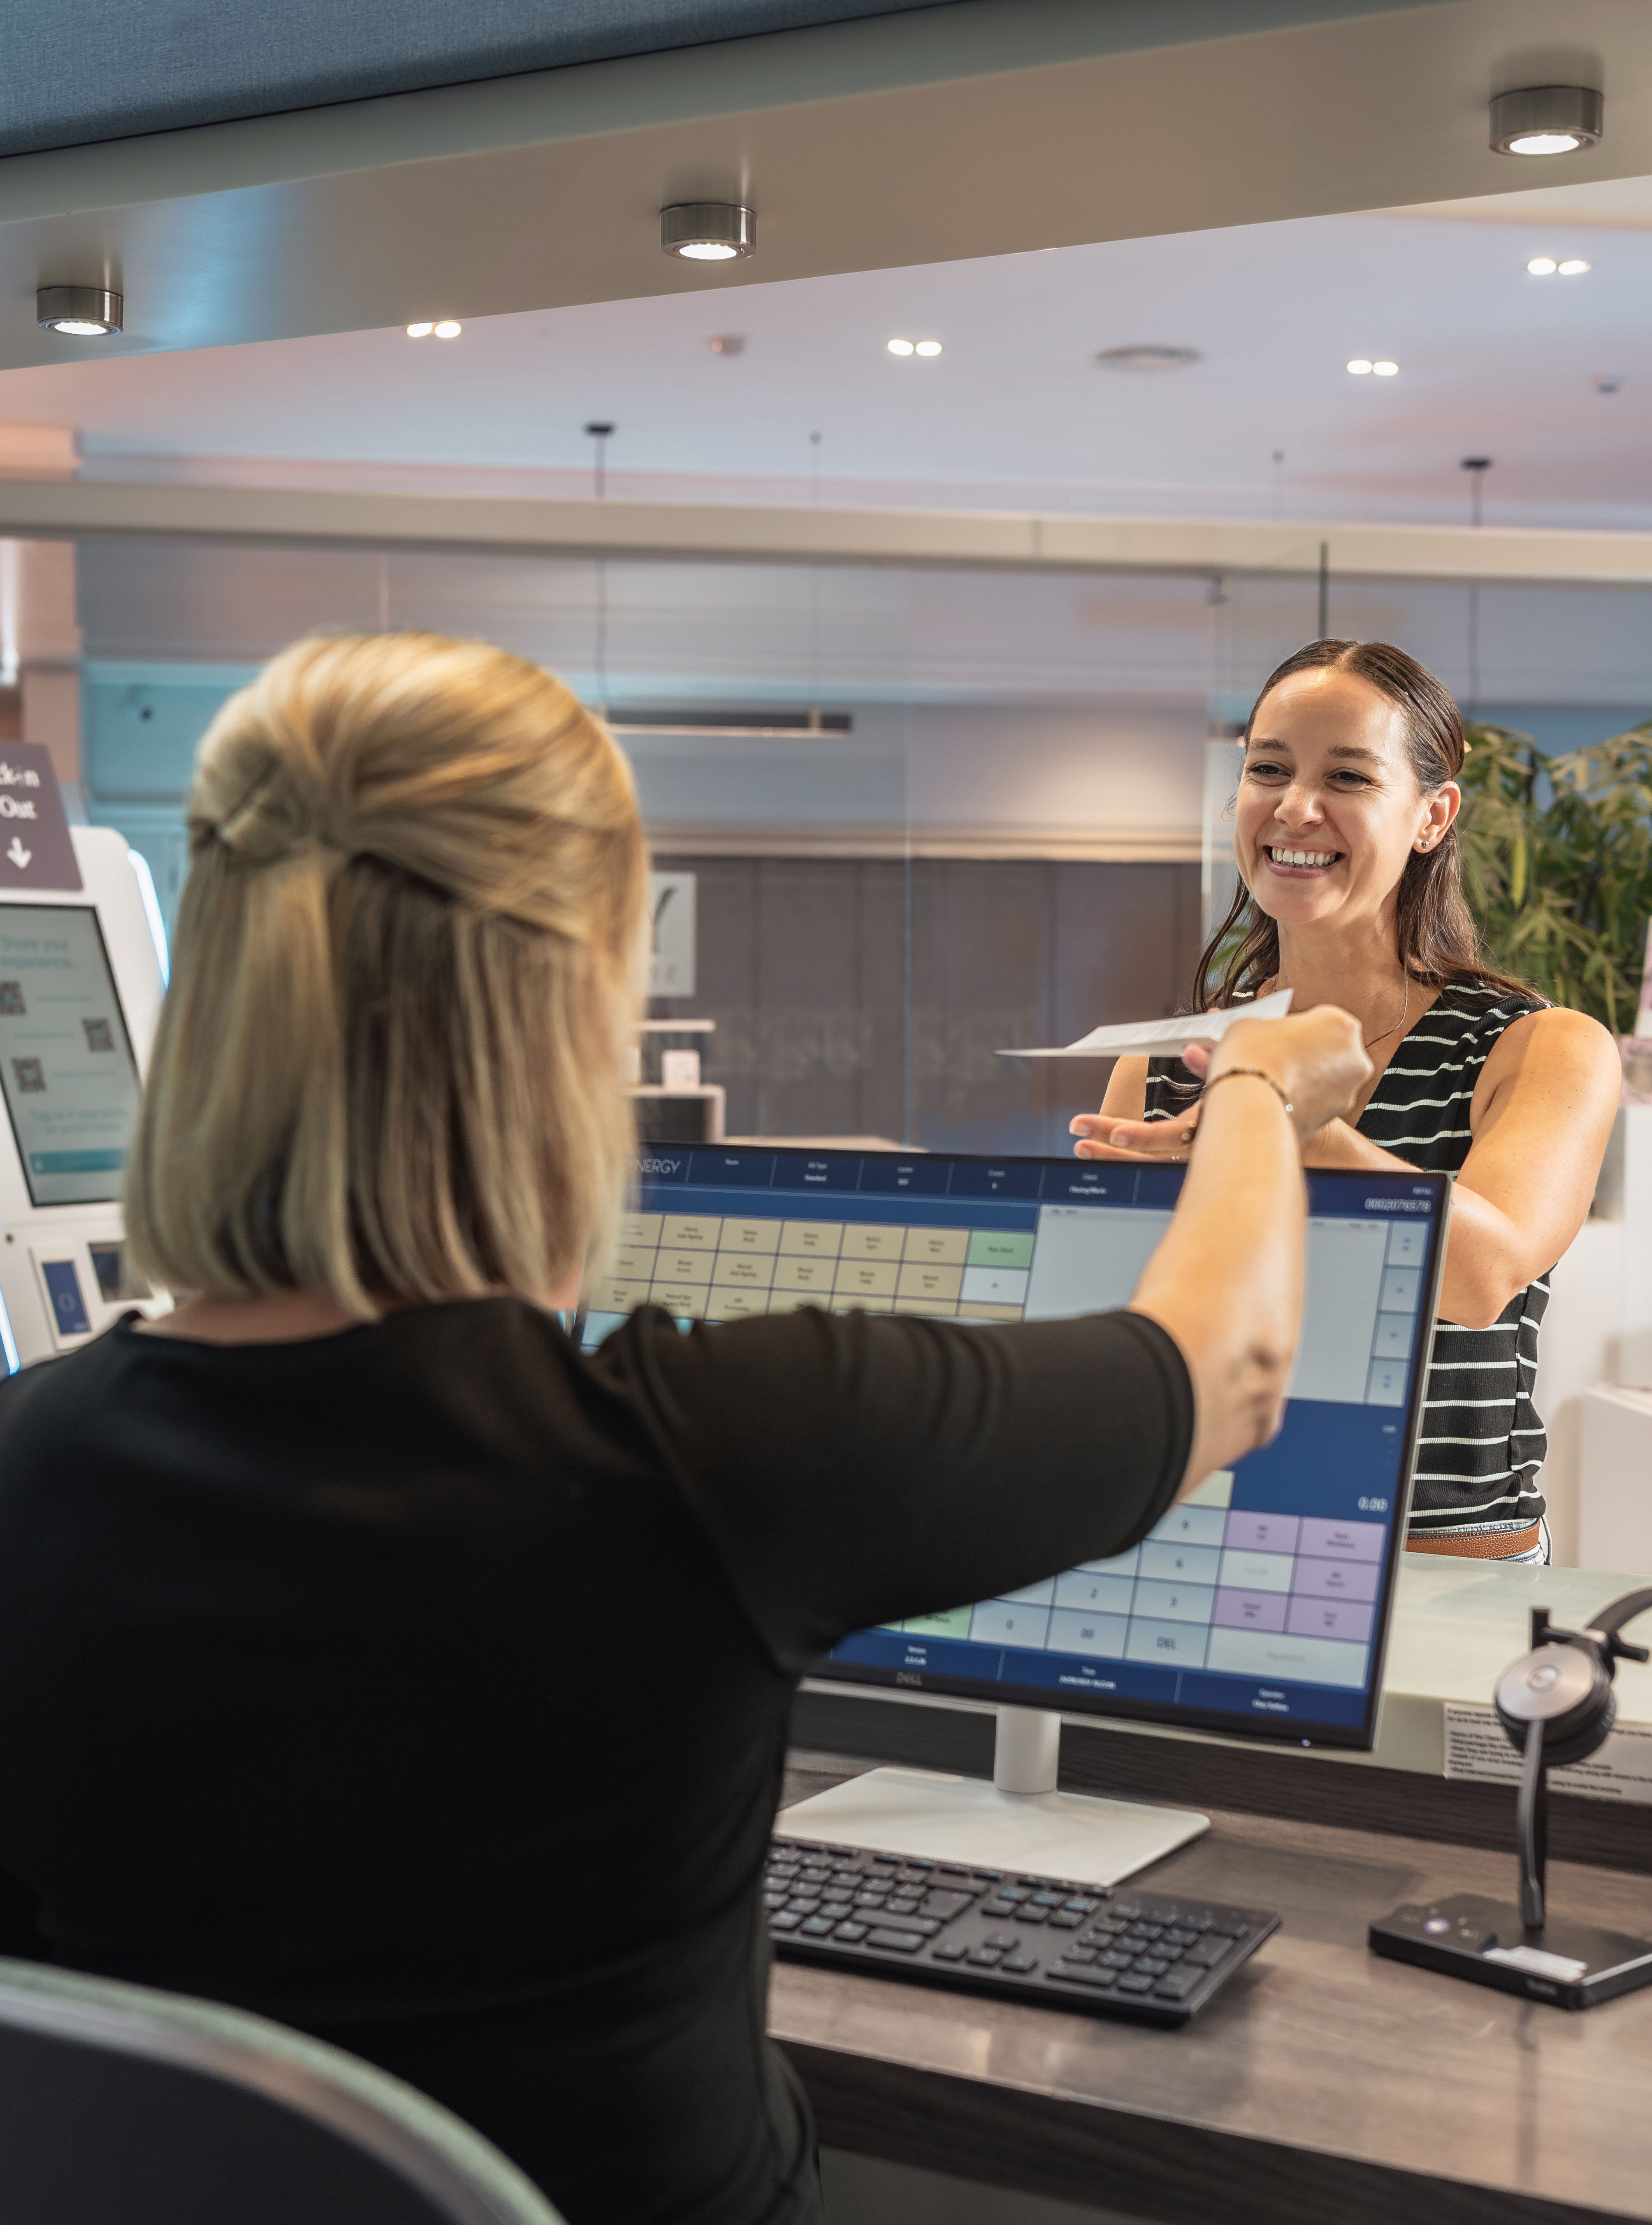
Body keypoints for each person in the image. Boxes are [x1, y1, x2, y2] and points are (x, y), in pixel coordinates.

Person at [0, 632, 1368, 2225]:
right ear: (578, 1002)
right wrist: (1262, 1082)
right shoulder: (700, 1449)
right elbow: (1229, 1365)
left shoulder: (30, 1462)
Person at [1072, 638, 1621, 1563]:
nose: (1294, 807)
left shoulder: (1540, 1046)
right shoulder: (1164, 1066)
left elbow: (1484, 1278)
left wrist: (1288, 1126)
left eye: (1349, 777)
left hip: (1446, 1570)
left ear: (1432, 816)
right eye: (1268, 769)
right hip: (1212, 1544)